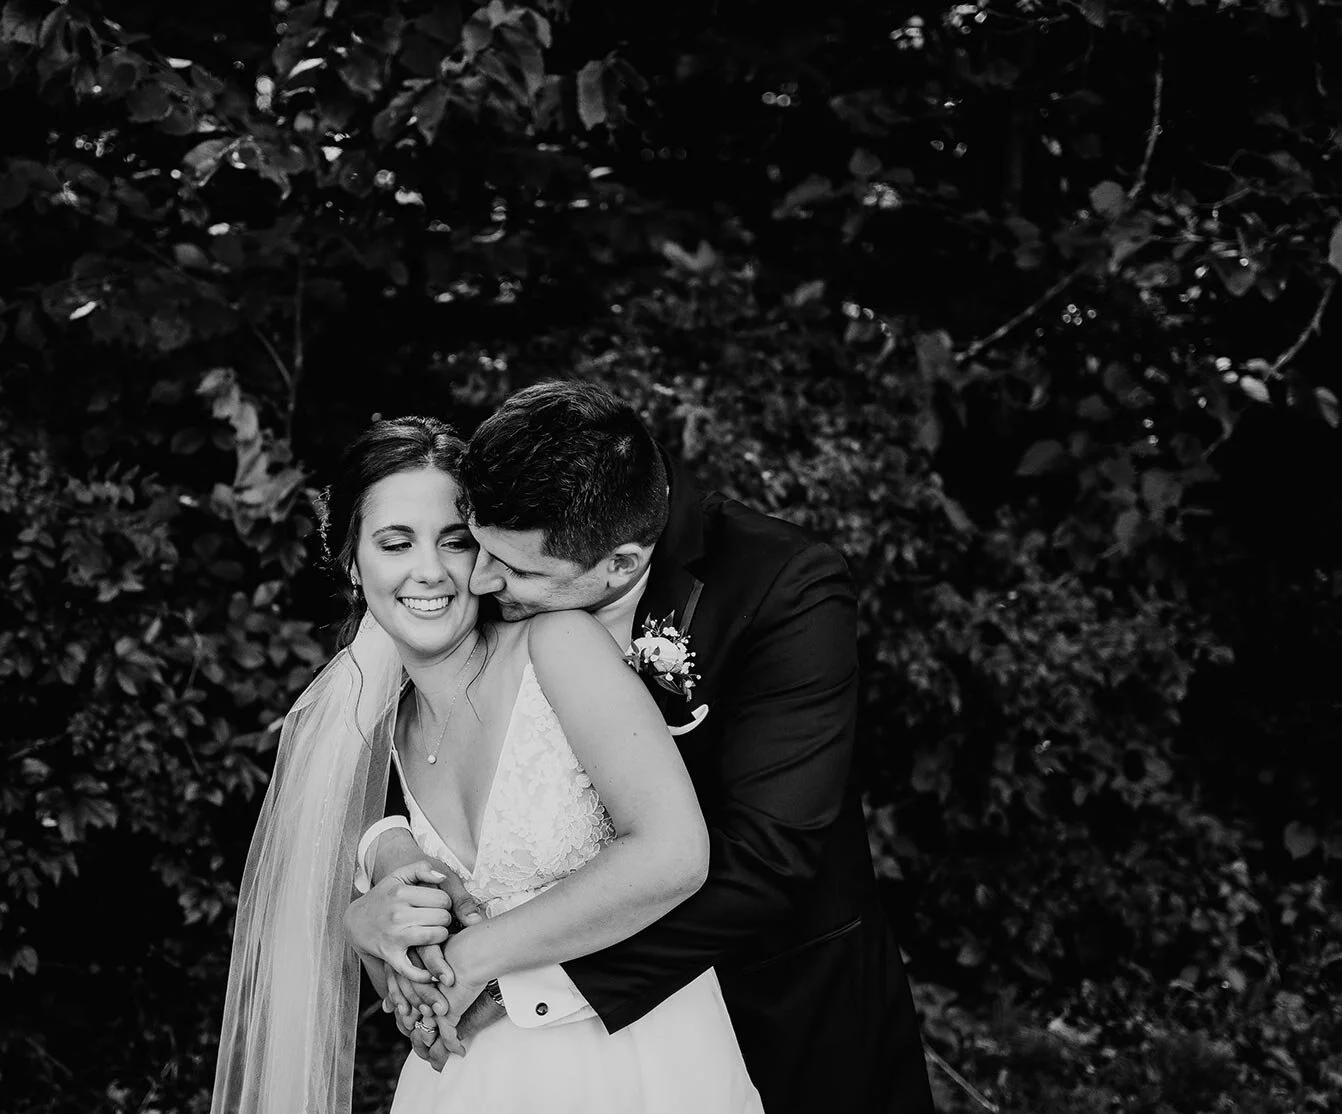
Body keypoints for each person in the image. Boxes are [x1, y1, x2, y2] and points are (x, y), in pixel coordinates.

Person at [349, 382, 935, 1113]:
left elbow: (765, 856)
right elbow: (433, 734)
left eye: (517, 571)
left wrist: (500, 973)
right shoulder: (518, 525)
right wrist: (383, 858)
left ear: (621, 565)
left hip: (775, 1001)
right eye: (478, 546)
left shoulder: (783, 586)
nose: (479, 579)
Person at [210, 415, 762, 1114]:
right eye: (395, 543)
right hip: (473, 1078)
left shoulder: (557, 645)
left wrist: (474, 959)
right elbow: (418, 1004)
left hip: (638, 1059)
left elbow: (674, 854)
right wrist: (370, 934)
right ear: (352, 562)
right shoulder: (379, 739)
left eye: (456, 541)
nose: (431, 571)